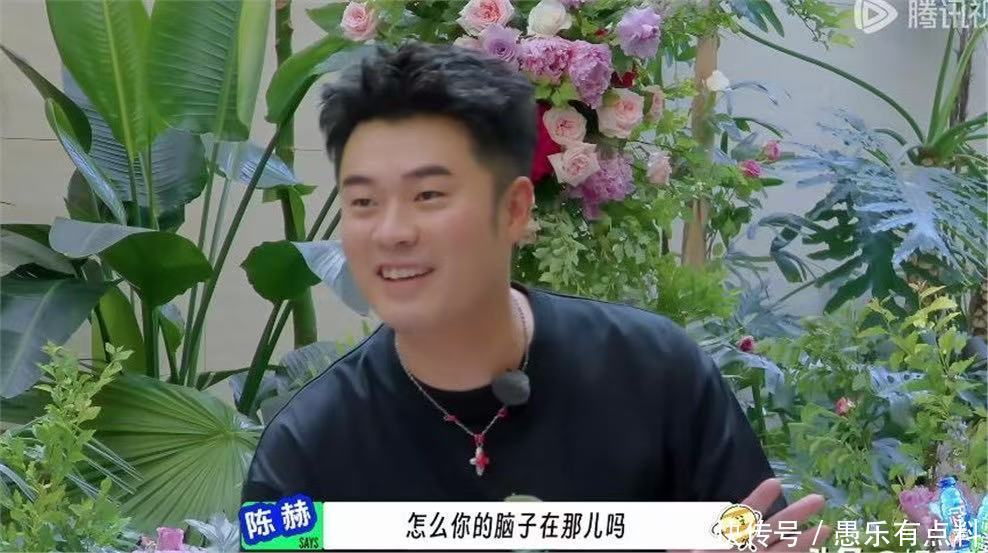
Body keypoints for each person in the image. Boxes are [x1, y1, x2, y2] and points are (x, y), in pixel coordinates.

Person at [242, 41, 830, 550]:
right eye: (364, 202)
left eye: (428, 196)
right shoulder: (304, 456)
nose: (392, 232)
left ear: (515, 209)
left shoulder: (657, 375)